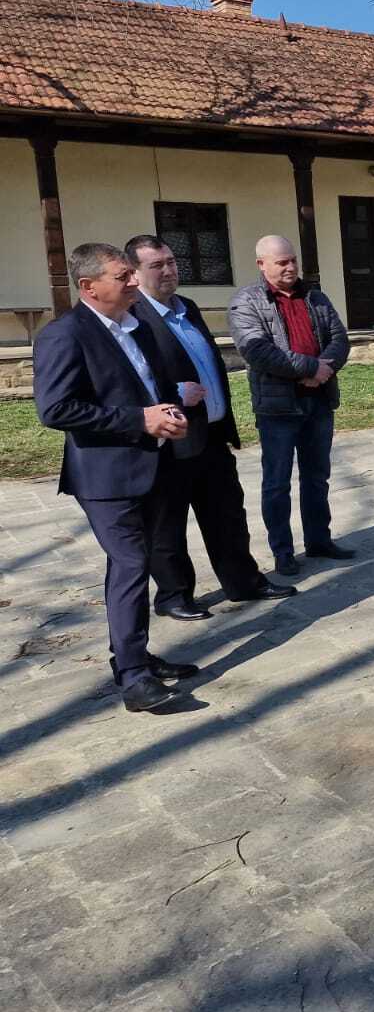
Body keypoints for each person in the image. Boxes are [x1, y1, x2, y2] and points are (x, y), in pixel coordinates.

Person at [33, 243, 200, 713]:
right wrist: (139, 420)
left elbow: (150, 384)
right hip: (106, 476)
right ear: (89, 287)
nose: (133, 282)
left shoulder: (138, 326)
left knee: (136, 563)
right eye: (122, 276)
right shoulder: (63, 336)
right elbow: (56, 409)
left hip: (153, 466)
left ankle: (133, 654)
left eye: (131, 274)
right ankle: (133, 678)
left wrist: (168, 409)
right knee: (129, 565)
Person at [124, 235, 296, 618]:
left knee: (227, 515)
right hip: (171, 438)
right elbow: (130, 378)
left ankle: (243, 581)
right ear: (134, 274)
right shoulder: (133, 317)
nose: (169, 270)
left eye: (171, 261)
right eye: (157, 265)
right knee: (167, 524)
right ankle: (174, 596)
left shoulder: (187, 307)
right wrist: (171, 392)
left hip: (212, 433)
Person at [229, 235, 354, 576]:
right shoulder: (247, 301)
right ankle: (283, 552)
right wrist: (310, 368)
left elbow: (339, 339)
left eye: (292, 260)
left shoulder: (315, 295)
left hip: (319, 401)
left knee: (317, 477)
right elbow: (257, 351)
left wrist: (323, 369)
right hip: (278, 408)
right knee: (277, 482)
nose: (290, 267)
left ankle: (319, 540)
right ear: (261, 265)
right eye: (281, 262)